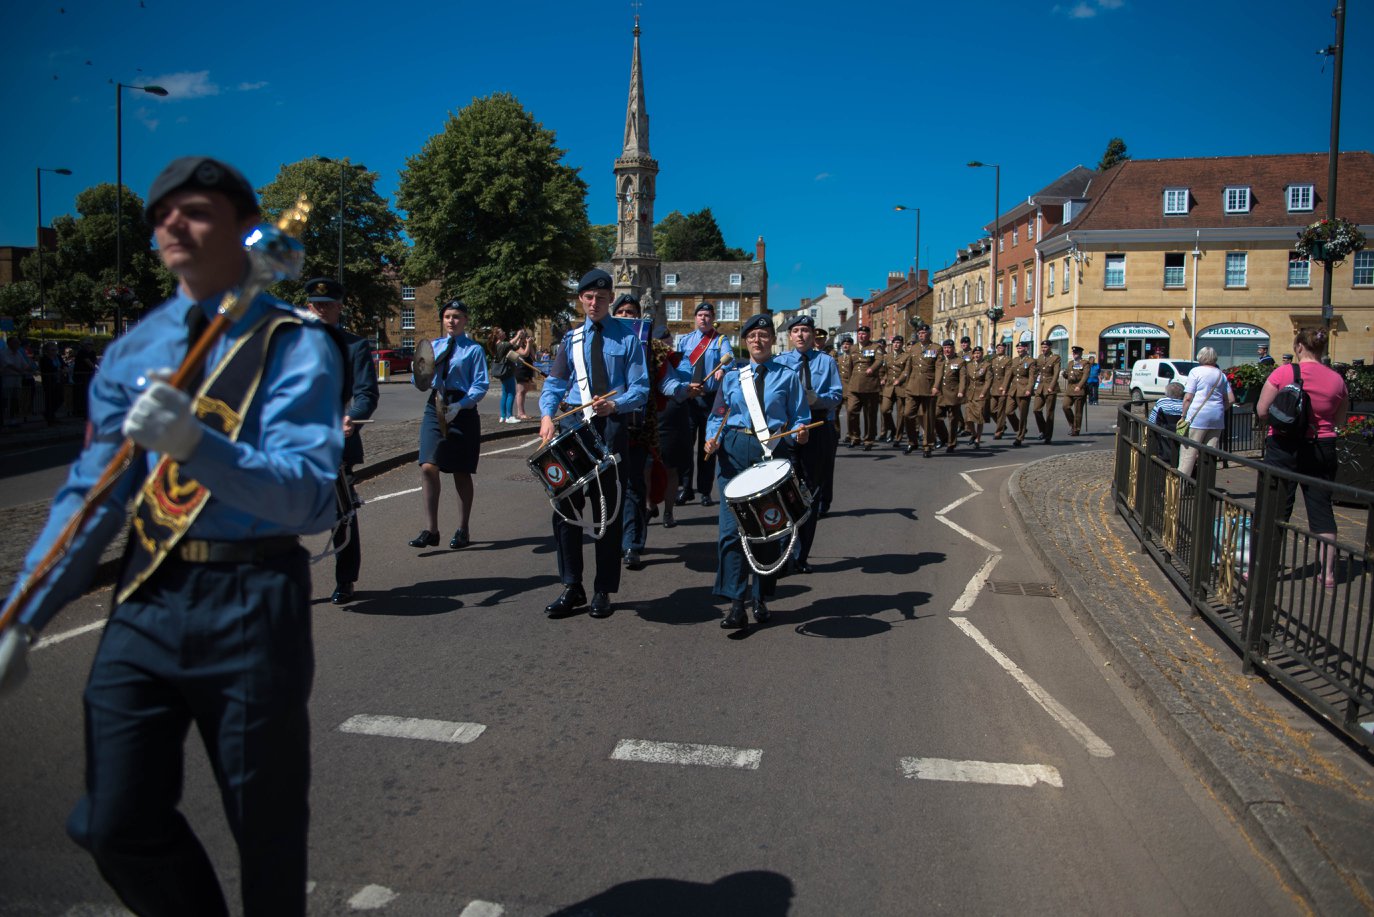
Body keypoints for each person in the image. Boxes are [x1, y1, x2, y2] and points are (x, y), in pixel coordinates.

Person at [0, 156, 344, 915]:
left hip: (253, 594)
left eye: (195, 212)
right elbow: (89, 495)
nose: (171, 226)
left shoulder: (293, 343)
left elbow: (311, 498)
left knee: (268, 836)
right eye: (161, 216)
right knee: (110, 819)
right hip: (149, 591)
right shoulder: (134, 350)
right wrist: (24, 608)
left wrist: (199, 445)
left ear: (243, 232)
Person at [541, 269, 649, 619]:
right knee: (565, 508)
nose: (594, 302)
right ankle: (572, 585)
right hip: (573, 425)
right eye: (588, 297)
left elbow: (641, 388)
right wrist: (546, 415)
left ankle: (603, 588)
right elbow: (555, 383)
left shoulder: (628, 339)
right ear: (581, 299)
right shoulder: (570, 340)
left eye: (601, 298)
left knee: (608, 512)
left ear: (610, 299)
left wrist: (617, 404)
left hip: (611, 426)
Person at [705, 313, 809, 628]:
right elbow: (718, 414)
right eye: (752, 336)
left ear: (772, 340)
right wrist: (712, 438)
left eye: (763, 336)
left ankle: (760, 597)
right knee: (731, 531)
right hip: (734, 452)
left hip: (770, 454)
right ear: (745, 341)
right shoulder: (733, 377)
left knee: (765, 532)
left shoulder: (787, 376)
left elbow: (799, 417)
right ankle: (736, 602)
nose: (758, 341)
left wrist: (800, 432)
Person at [302, 277, 379, 604]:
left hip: (335, 439)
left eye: (328, 305)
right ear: (308, 307)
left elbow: (366, 393)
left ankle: (345, 579)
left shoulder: (354, 346)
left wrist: (353, 417)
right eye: (316, 305)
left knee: (341, 512)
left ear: (339, 307)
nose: (321, 310)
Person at [1257, 327, 1348, 589]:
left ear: (1298, 347)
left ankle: (1266, 569)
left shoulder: (1284, 372)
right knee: (1322, 510)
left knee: (1276, 508)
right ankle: (1328, 573)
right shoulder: (1337, 380)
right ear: (1322, 349)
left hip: (1283, 446)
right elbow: (1339, 420)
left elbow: (1263, 411)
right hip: (1322, 447)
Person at [612, 294, 693, 569]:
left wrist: (682, 390)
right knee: (610, 488)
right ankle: (613, 539)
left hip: (639, 428)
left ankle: (632, 544)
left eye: (631, 311)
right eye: (621, 312)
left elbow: (668, 383)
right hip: (603, 427)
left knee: (635, 485)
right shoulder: (600, 342)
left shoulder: (655, 348)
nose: (626, 316)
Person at [410, 299, 489, 549]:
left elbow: (480, 384)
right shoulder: (433, 346)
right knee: (427, 466)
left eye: (457, 316)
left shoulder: (473, 350)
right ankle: (431, 530)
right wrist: (420, 375)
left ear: (465, 320)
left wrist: (461, 405)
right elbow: (420, 379)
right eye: (447, 317)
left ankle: (463, 528)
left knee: (460, 471)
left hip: (462, 408)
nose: (451, 321)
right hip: (436, 404)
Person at [775, 314, 841, 570]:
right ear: (790, 336)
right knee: (784, 491)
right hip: (788, 428)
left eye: (805, 330)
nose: (801, 335)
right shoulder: (780, 362)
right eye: (796, 331)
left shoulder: (826, 362)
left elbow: (836, 396)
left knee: (810, 493)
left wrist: (816, 399)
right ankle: (782, 552)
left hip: (817, 425)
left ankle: (800, 556)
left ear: (813, 336)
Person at [676, 302, 732, 506]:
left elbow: (730, 358)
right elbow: (679, 366)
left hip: (710, 398)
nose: (703, 318)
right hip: (690, 398)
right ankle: (686, 488)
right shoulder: (685, 340)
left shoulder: (720, 340)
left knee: (708, 445)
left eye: (707, 315)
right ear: (695, 317)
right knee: (686, 446)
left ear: (713, 317)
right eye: (700, 315)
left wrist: (723, 369)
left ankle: (706, 491)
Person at [1177, 347, 1235, 476]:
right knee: (1209, 455)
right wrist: (1220, 408)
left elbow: (1188, 397)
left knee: (1188, 454)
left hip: (1197, 417)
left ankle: (1180, 488)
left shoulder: (1195, 372)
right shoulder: (1221, 374)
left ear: (1200, 357)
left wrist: (1183, 415)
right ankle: (1205, 489)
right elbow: (1231, 399)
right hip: (1216, 417)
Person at [898, 324, 939, 456]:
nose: (921, 335)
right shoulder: (914, 348)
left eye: (924, 332)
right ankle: (912, 441)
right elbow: (908, 367)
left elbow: (939, 369)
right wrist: (904, 381)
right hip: (912, 386)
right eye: (919, 333)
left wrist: (936, 386)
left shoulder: (936, 348)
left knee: (927, 418)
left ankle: (927, 445)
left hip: (928, 386)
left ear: (929, 334)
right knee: (908, 414)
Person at [845, 325, 881, 450]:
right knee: (851, 411)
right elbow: (850, 367)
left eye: (864, 334)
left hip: (870, 386)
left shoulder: (875, 347)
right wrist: (849, 383)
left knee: (870, 415)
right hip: (854, 386)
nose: (861, 336)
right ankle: (855, 437)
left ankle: (868, 440)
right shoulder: (853, 348)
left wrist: (872, 368)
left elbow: (879, 360)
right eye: (859, 334)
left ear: (868, 335)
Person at [933, 339, 965, 453]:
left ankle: (951, 443)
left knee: (953, 421)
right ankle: (944, 438)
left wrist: (961, 391)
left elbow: (962, 379)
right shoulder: (939, 360)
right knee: (936, 417)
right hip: (940, 395)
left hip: (953, 394)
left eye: (949, 348)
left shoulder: (959, 361)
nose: (947, 350)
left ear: (953, 349)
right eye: (945, 348)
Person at [1004, 340, 1036, 447]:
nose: (1019, 350)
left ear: (1026, 348)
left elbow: (1032, 377)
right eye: (1017, 348)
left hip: (1023, 390)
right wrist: (1004, 387)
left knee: (1023, 415)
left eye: (1021, 348)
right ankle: (1020, 428)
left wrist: (1029, 389)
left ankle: (1020, 437)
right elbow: (1009, 375)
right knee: (1008, 411)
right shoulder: (1015, 360)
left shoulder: (1030, 361)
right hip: (1013, 390)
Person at [1149, 381, 1187, 466]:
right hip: (1182, 435)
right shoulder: (1186, 405)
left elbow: (1151, 421)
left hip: (1164, 436)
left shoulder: (1162, 402)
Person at [1032, 339, 1061, 443]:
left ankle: (1048, 436)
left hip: (1050, 387)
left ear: (1050, 347)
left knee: (1049, 413)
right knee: (1036, 409)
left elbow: (1056, 373)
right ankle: (1043, 430)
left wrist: (1051, 386)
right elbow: (1035, 371)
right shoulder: (1040, 358)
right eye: (1042, 347)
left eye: (1045, 347)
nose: (1043, 349)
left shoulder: (1055, 358)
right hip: (1040, 387)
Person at [964, 345, 991, 447]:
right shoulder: (969, 365)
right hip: (970, 395)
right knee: (968, 418)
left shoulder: (986, 365)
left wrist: (984, 392)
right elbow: (966, 380)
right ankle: (974, 434)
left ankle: (978, 439)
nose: (976, 355)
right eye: (975, 353)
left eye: (978, 353)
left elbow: (988, 381)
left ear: (982, 354)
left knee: (979, 418)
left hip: (980, 395)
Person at [1061, 345, 1091, 436]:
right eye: (1073, 353)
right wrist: (1065, 374)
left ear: (1080, 353)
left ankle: (1076, 429)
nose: (1074, 354)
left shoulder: (1085, 363)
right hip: (1070, 389)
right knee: (1065, 406)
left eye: (1076, 353)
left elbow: (1085, 376)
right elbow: (1069, 375)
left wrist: (1080, 386)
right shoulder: (1070, 363)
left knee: (1078, 411)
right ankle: (1072, 425)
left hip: (1079, 390)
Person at [490, 327, 516, 423]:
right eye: (502, 331)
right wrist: (518, 335)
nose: (504, 332)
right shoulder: (501, 344)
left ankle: (503, 416)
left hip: (502, 372)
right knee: (511, 393)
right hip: (507, 371)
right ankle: (509, 416)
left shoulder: (498, 345)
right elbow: (511, 343)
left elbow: (514, 346)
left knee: (505, 394)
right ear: (498, 335)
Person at [513, 328, 536, 420]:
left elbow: (534, 357)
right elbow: (525, 354)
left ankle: (522, 412)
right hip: (521, 370)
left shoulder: (528, 345)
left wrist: (530, 345)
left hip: (528, 370)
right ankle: (520, 413)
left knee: (524, 392)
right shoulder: (517, 346)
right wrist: (528, 345)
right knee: (520, 392)